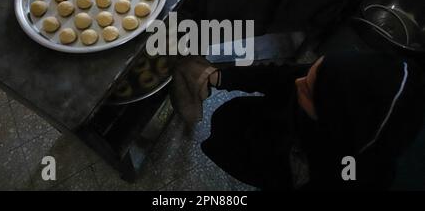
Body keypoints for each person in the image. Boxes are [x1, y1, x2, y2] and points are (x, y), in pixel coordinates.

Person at [170, 51, 425, 190]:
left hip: (276, 163)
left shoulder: (341, 176)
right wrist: (221, 77)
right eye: (311, 73)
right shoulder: (337, 88)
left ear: (331, 122)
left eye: (308, 90)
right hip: (275, 125)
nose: (298, 83)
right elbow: (283, 77)